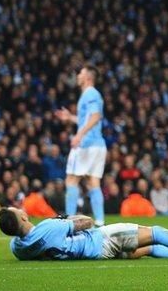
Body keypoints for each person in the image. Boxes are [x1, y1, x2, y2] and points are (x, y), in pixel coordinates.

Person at [0, 207, 168, 261]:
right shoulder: (48, 227)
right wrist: (65, 218)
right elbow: (87, 222)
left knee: (148, 249)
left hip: (95, 256)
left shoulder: (18, 249)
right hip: (102, 239)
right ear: (22, 217)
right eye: (16, 208)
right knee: (157, 232)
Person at [55, 64, 107, 226]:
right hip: (98, 144)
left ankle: (69, 221)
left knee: (71, 180)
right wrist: (70, 118)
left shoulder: (90, 94)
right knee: (93, 182)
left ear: (88, 77)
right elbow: (88, 119)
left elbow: (96, 116)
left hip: (87, 145)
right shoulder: (92, 94)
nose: (78, 75)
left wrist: (79, 135)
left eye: (81, 73)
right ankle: (100, 221)